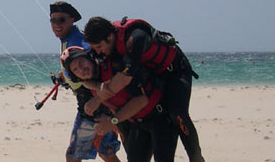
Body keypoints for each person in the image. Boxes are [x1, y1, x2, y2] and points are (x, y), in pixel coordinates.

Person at [83, 16, 205, 162]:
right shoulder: (103, 45)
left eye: (99, 47)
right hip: (154, 76)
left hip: (175, 71)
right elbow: (82, 77)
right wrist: (97, 86)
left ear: (110, 36)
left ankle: (196, 158)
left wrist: (98, 98)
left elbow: (125, 78)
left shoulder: (136, 37)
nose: (99, 52)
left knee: (177, 112)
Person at [61, 46, 179, 162]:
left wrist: (111, 119)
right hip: (137, 122)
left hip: (160, 117)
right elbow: (88, 83)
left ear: (89, 58)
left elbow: (142, 100)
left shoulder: (113, 70)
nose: (81, 70)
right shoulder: (92, 80)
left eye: (81, 63)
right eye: (76, 70)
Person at [49, 1, 120, 162]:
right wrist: (66, 75)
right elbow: (79, 67)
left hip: (92, 107)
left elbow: (96, 68)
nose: (57, 25)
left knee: (73, 157)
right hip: (100, 106)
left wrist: (98, 100)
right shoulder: (69, 39)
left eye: (61, 20)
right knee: (107, 152)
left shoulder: (79, 42)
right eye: (53, 20)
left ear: (71, 20)